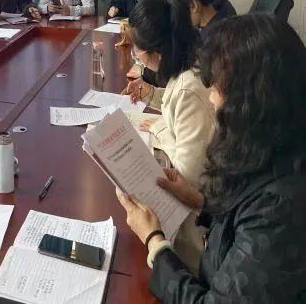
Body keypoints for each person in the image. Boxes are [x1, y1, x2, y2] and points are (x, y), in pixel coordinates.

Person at [116, 15, 306, 302]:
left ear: (252, 99)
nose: (212, 99)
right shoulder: (272, 147)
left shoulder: (280, 208)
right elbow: (241, 219)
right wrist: (200, 202)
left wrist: (155, 242)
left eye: (217, 88)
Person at [127, 0, 216, 273]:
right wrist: (152, 94)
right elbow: (175, 105)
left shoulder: (190, 90)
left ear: (158, 52)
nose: (137, 58)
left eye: (137, 52)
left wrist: (158, 129)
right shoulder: (188, 68)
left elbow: (185, 179)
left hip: (193, 240)